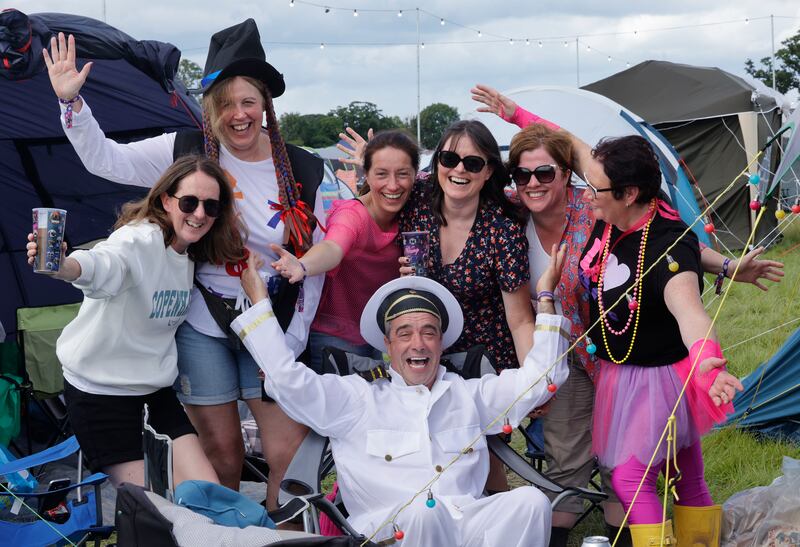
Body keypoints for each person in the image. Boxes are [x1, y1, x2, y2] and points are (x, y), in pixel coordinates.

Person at [472, 83, 784, 547]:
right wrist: (517, 114)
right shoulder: (613, 214)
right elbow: (574, 147)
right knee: (684, 473)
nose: (586, 192)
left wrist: (710, 365)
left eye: (595, 189)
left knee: (633, 475)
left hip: (661, 378)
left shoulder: (664, 246)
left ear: (629, 192)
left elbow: (691, 315)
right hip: (623, 370)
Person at [43, 20, 326, 511]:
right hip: (203, 321)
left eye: (248, 102)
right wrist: (72, 103)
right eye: (224, 103)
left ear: (266, 105)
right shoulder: (185, 151)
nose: (237, 116)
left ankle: (279, 539)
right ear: (209, 106)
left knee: (287, 449)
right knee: (221, 453)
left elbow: (314, 265)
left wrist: (291, 339)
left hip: (272, 320)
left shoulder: (301, 167)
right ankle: (218, 539)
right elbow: (103, 159)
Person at [234, 241, 569, 547]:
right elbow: (285, 379)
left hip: (463, 523)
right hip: (390, 532)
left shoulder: (470, 395)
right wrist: (260, 303)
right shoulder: (356, 398)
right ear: (387, 344)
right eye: (404, 333)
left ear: (441, 342)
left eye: (428, 332)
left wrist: (545, 297)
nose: (418, 344)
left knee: (530, 502)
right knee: (425, 510)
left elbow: (541, 380)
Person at [25, 155, 238, 488]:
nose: (199, 214)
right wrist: (64, 266)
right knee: (154, 504)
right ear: (166, 199)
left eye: (211, 206)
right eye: (189, 201)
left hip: (155, 393)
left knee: (204, 490)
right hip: (100, 394)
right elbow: (103, 264)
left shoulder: (189, 253)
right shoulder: (139, 240)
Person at [271, 130, 419, 371]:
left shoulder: (415, 209)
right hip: (336, 335)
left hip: (382, 333)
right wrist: (303, 265)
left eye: (402, 174)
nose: (393, 185)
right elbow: (333, 247)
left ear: (415, 176)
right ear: (366, 176)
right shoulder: (353, 214)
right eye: (381, 174)